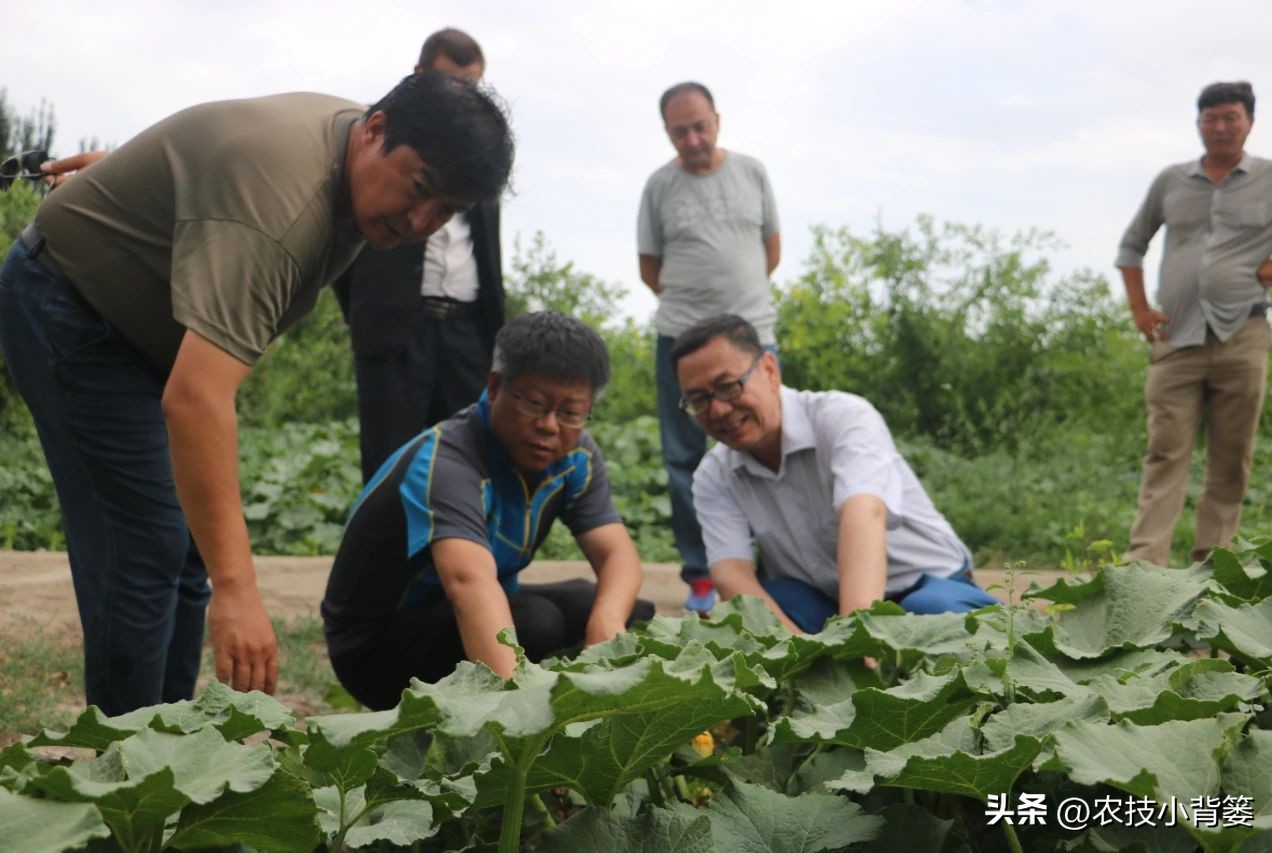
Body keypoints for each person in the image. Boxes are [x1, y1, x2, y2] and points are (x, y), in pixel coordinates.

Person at [0, 72, 514, 716]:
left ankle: (169, 742)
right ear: (376, 131)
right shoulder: (280, 207)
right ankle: (123, 777)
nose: (419, 221)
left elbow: (211, 157)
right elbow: (196, 400)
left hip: (144, 329)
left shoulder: (356, 153)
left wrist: (142, 184)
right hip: (70, 305)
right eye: (417, 190)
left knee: (185, 551)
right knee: (146, 547)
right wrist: (238, 590)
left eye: (444, 212)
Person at [322, 311, 654, 710]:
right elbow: (469, 585)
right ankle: (488, 707)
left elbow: (618, 553)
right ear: (495, 387)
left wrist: (606, 626)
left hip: (447, 615)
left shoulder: (577, 455)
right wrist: (521, 720)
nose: (550, 425)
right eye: (535, 402)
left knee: (610, 604)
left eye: (570, 412)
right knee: (535, 622)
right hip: (373, 652)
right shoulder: (448, 460)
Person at [672, 314, 996, 634]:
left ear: (770, 370)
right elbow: (732, 575)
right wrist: (797, 654)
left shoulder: (843, 418)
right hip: (823, 601)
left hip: (927, 584)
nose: (718, 411)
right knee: (762, 608)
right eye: (699, 400)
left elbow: (864, 514)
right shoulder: (714, 475)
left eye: (728, 387)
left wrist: (855, 641)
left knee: (932, 614)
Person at [1117, 81, 1272, 566]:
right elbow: (1131, 246)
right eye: (1211, 118)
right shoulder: (1172, 180)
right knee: (1166, 453)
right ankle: (1143, 571)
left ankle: (1214, 573)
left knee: (1231, 461)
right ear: (1198, 124)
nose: (1221, 126)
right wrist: (1140, 311)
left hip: (1243, 335)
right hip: (1176, 338)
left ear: (1249, 121)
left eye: (1231, 116)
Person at [334, 28, 506, 483]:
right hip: (393, 328)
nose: (463, 97)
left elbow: (489, 252)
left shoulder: (482, 153)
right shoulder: (382, 136)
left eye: (472, 86)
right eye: (452, 83)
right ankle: (386, 557)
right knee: (392, 463)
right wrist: (368, 313)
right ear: (419, 76)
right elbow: (343, 241)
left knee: (470, 459)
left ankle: (460, 555)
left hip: (468, 330)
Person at [636, 81, 781, 614]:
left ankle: (768, 572)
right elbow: (650, 268)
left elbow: (771, 249)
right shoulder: (658, 186)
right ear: (668, 133)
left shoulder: (752, 172)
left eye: (700, 126)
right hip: (680, 340)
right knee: (684, 461)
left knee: (767, 450)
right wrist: (699, 326)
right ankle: (701, 576)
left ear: (717, 120)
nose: (692, 139)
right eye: (680, 131)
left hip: (753, 337)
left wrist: (731, 321)